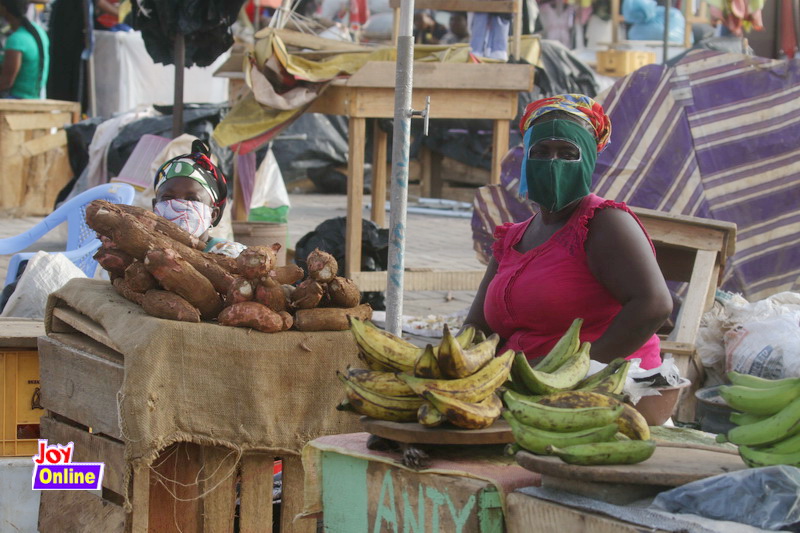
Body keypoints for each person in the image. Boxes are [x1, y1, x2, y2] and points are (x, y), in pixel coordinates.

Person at [464, 94, 672, 370]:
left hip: (598, 384)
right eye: (540, 152)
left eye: (567, 153)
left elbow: (654, 305)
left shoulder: (604, 222)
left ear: (589, 161)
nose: (553, 162)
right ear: (525, 159)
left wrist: (574, 368)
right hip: (516, 383)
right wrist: (457, 360)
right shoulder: (513, 237)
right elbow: (477, 324)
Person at [152, 140, 246, 258]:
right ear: (154, 207)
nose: (179, 205)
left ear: (213, 214)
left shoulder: (233, 255)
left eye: (192, 199)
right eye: (168, 197)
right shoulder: (144, 250)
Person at [0, 0, 48, 99]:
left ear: (4, 9)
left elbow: (6, 82)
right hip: (38, 97)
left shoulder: (17, 40)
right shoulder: (39, 31)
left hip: (18, 100)